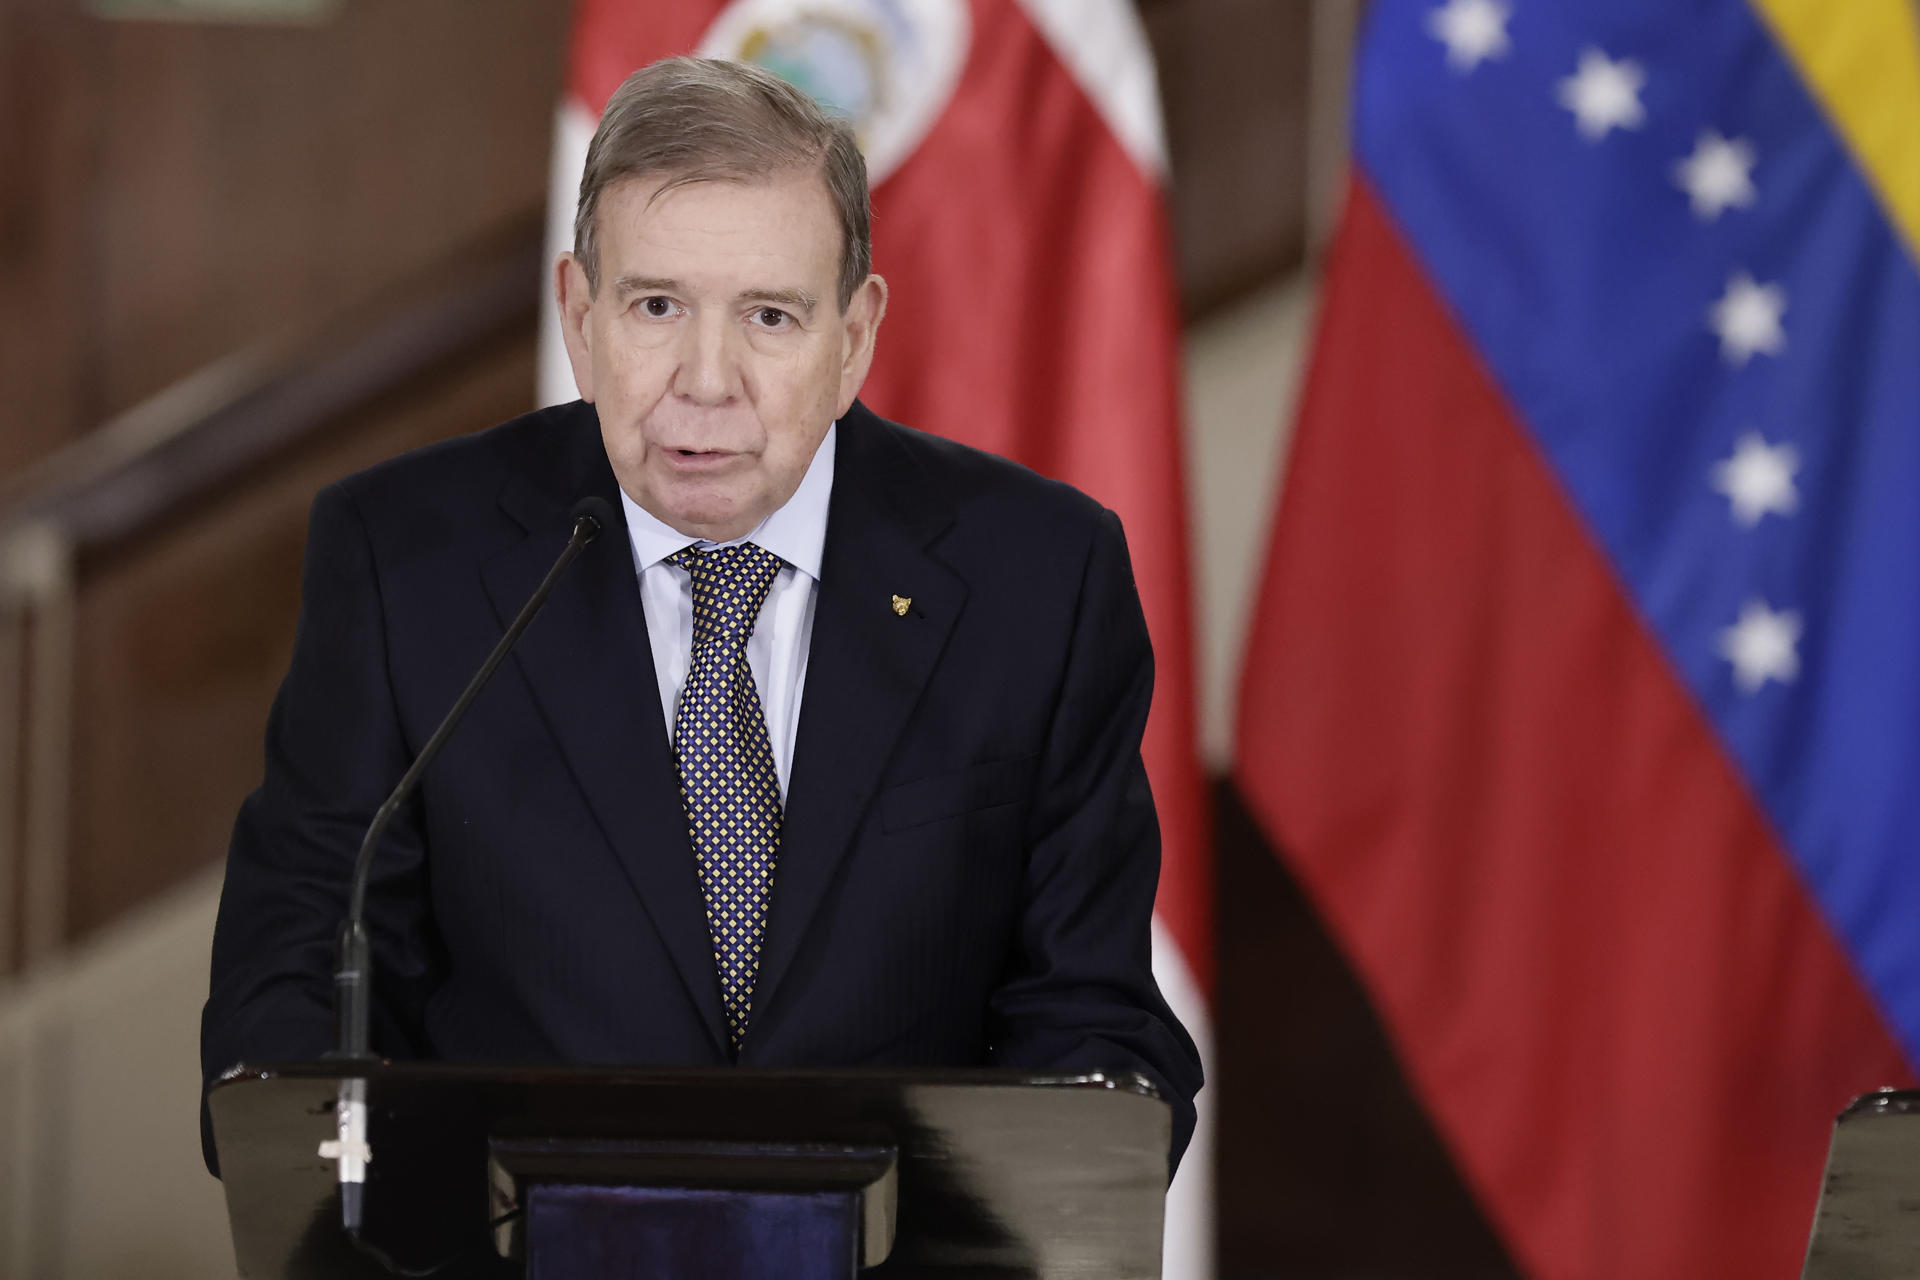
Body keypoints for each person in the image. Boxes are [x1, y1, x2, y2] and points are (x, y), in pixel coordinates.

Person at [200, 56, 1201, 1174]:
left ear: (854, 335)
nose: (707, 379)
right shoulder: (406, 559)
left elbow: (1088, 1011)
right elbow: (296, 975)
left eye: (769, 316)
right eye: (657, 306)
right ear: (578, 314)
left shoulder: (1037, 577)